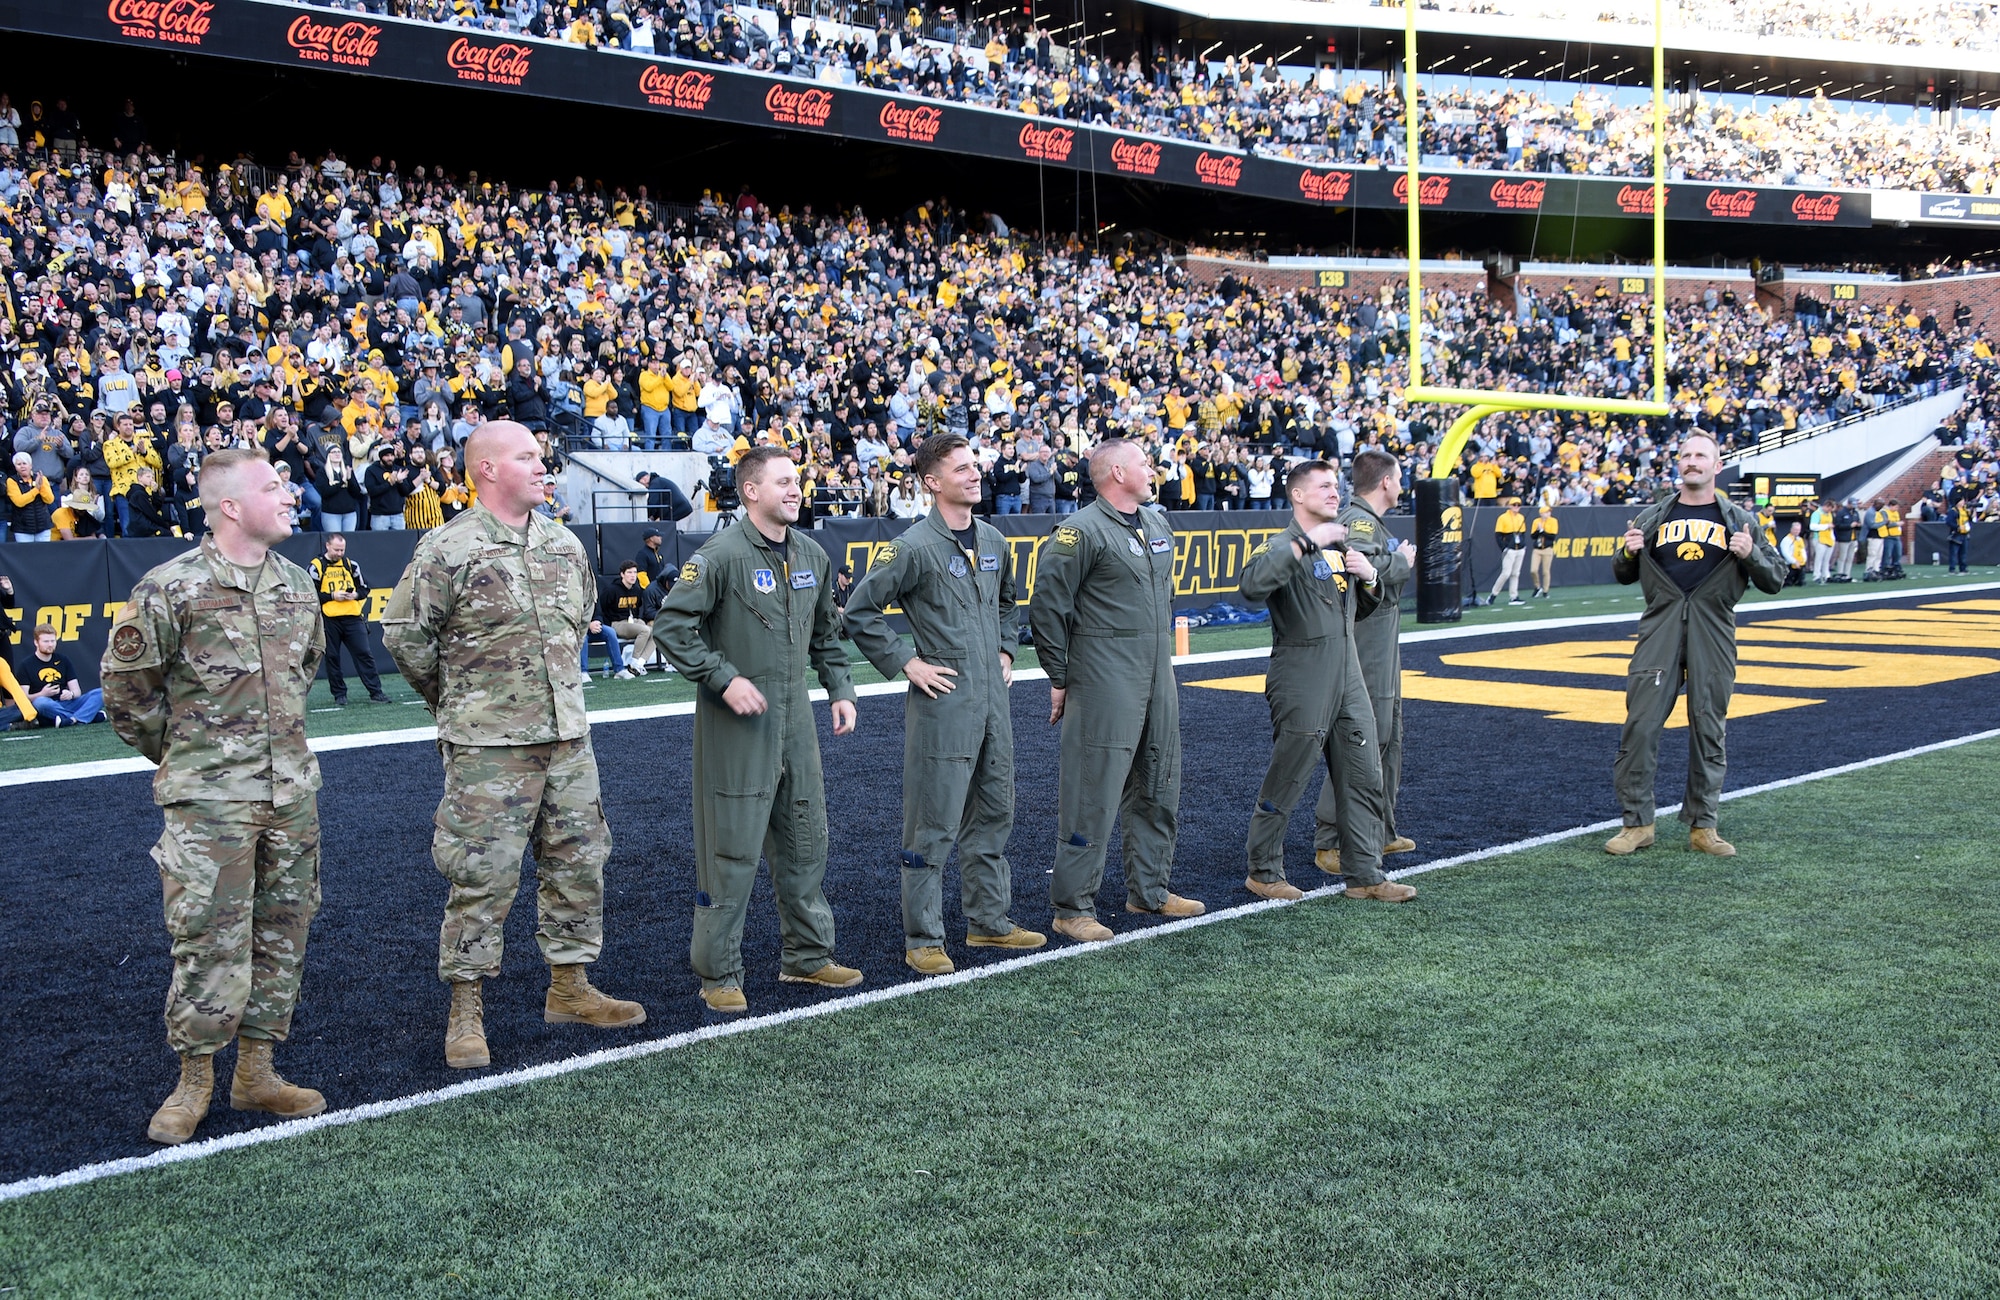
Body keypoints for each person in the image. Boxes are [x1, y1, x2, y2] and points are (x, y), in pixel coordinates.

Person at [382, 421, 645, 1070]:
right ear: (487, 469)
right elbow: (406, 638)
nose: (543, 465)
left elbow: (580, 620)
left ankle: (570, 987)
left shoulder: (562, 544)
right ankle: (466, 1009)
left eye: (542, 455)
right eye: (527, 456)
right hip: (487, 750)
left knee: (579, 863)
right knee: (481, 875)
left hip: (568, 743)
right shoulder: (449, 549)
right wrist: (462, 706)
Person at [100, 448, 329, 1145]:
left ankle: (256, 1072)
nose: (289, 496)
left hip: (291, 794)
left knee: (282, 933)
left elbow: (306, 669)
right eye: (272, 487)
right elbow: (127, 694)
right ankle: (195, 1079)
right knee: (205, 937)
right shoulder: (170, 588)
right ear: (230, 505)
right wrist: (192, 759)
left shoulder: (297, 585)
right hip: (208, 804)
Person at [653, 444, 862, 1014]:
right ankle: (718, 972)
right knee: (732, 848)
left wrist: (840, 690)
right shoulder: (720, 554)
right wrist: (722, 677)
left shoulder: (813, 554)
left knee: (805, 837)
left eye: (798, 481)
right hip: (737, 728)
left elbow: (826, 635)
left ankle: (808, 957)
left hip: (797, 724)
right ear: (750, 491)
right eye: (783, 482)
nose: (796, 490)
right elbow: (672, 627)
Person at [844, 434, 1046, 974]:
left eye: (974, 467)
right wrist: (906, 662)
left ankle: (988, 923)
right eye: (961, 469)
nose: (974, 475)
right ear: (932, 483)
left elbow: (1008, 600)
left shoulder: (993, 541)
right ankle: (923, 937)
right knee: (933, 823)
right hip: (944, 705)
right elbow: (859, 612)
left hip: (993, 707)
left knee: (995, 814)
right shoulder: (912, 546)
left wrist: (1007, 647)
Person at [1029, 440, 1202, 942]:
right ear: (1118, 472)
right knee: (1093, 791)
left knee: (1158, 781)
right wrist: (1060, 677)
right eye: (1146, 463)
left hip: (1157, 673)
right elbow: (1047, 609)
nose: (1154, 469)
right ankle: (1072, 906)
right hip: (1104, 676)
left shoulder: (1157, 523)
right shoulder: (1080, 531)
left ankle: (1149, 890)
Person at [1607, 433, 1785, 859]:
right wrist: (1628, 554)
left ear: (1717, 465)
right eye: (1685, 455)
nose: (1691, 461)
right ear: (1679, 464)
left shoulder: (1739, 518)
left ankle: (1703, 826)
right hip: (1659, 631)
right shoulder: (1652, 515)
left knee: (1709, 728)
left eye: (1700, 455)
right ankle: (1638, 824)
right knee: (1641, 726)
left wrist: (1750, 555)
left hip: (1714, 632)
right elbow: (1622, 573)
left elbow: (1776, 578)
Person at [1239, 461, 1410, 903]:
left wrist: (1370, 578)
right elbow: (1253, 586)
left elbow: (1359, 612)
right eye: (1324, 487)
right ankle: (1263, 870)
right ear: (1298, 495)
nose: (1335, 493)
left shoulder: (1342, 545)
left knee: (1363, 774)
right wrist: (1306, 542)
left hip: (1348, 671)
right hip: (1302, 673)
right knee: (1289, 776)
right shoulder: (1280, 544)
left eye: (1337, 485)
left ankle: (1366, 874)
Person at [1312, 449, 1418, 876]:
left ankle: (1379, 829)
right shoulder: (1358, 521)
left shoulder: (1370, 520)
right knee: (1360, 742)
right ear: (1386, 482)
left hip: (1382, 642)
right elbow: (1357, 564)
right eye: (1399, 476)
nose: (1401, 482)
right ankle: (1329, 840)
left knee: (1388, 737)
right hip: (1367, 643)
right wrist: (1400, 562)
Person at [310, 534, 392, 705]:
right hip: (329, 619)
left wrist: (354, 594)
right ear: (327, 546)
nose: (340, 553)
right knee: (332, 657)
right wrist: (332, 596)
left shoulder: (351, 565)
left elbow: (364, 589)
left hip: (353, 617)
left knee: (364, 654)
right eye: (336, 549)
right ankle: (340, 695)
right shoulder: (316, 566)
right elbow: (311, 594)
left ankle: (376, 692)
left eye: (342, 550)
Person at [0, 624, 104, 728]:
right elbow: (24, 698)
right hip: (46, 705)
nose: (50, 645)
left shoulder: (63, 660)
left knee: (101, 693)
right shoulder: (26, 665)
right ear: (36, 642)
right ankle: (85, 717)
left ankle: (72, 720)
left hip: (66, 702)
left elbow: (77, 691)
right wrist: (42, 693)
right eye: (46, 641)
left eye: (53, 641)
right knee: (40, 703)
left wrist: (70, 694)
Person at [596, 561, 655, 675]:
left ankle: (640, 664)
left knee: (655, 632)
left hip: (631, 621)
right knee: (645, 630)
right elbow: (602, 607)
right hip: (616, 623)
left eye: (635, 572)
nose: (633, 575)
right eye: (629, 572)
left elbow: (636, 610)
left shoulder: (637, 590)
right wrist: (607, 625)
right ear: (622, 574)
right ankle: (633, 663)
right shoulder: (612, 590)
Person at [1489, 498, 1527, 606]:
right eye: (1514, 504)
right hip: (1509, 549)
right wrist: (1504, 548)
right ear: (1510, 505)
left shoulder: (1521, 517)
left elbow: (1523, 534)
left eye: (1518, 505)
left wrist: (1523, 545)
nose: (1516, 506)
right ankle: (1493, 594)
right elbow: (1498, 535)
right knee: (1506, 573)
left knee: (1515, 574)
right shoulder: (1503, 518)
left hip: (1519, 549)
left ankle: (1514, 596)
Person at [1529, 504, 1558, 598]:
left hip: (1547, 549)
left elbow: (1552, 536)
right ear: (1541, 513)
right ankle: (1537, 586)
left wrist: (1542, 531)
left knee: (1546, 571)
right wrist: (1538, 531)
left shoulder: (1553, 521)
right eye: (1546, 512)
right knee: (1533, 570)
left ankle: (1545, 591)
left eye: (1549, 512)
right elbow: (1533, 536)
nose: (1549, 513)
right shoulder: (1536, 521)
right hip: (1537, 549)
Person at [1781, 521, 1808, 586]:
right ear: (1791, 529)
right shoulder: (1787, 539)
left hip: (1800, 563)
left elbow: (1802, 550)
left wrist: (1804, 560)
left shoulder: (1800, 539)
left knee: (1801, 581)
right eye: (1795, 530)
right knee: (1788, 582)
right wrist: (1794, 561)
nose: (1797, 531)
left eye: (1798, 530)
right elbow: (1785, 553)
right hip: (1790, 564)